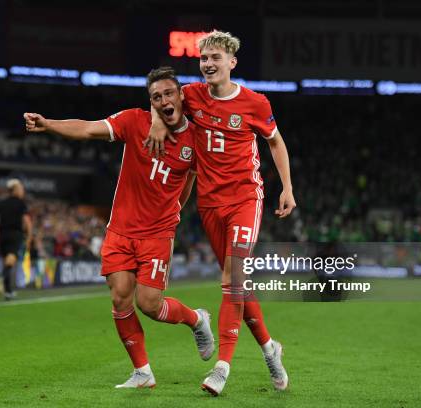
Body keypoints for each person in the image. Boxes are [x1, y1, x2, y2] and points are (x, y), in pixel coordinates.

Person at [23, 67, 214, 389]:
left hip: (157, 232)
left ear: (181, 95)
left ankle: (197, 319)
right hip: (121, 229)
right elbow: (86, 129)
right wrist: (48, 124)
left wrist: (175, 210)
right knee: (120, 299)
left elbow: (190, 179)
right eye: (156, 96)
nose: (164, 100)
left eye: (169, 93)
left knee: (150, 304)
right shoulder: (133, 121)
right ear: (150, 102)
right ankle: (142, 372)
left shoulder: (196, 139)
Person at [145, 31, 296, 395]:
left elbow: (275, 141)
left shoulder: (255, 103)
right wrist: (154, 118)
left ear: (232, 62)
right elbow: (162, 96)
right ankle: (269, 348)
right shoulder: (192, 95)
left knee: (232, 278)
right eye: (204, 59)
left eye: (215, 57)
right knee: (237, 285)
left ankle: (222, 366)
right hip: (210, 204)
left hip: (245, 198)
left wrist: (287, 187)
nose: (209, 64)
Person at [0, 179, 32, 300]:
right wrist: (29, 237)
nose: (23, 191)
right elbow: (27, 222)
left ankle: (8, 291)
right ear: (15, 190)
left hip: (2, 235)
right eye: (21, 188)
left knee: (6, 262)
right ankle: (1, 278)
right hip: (15, 234)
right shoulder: (20, 203)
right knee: (11, 260)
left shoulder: (2, 203)